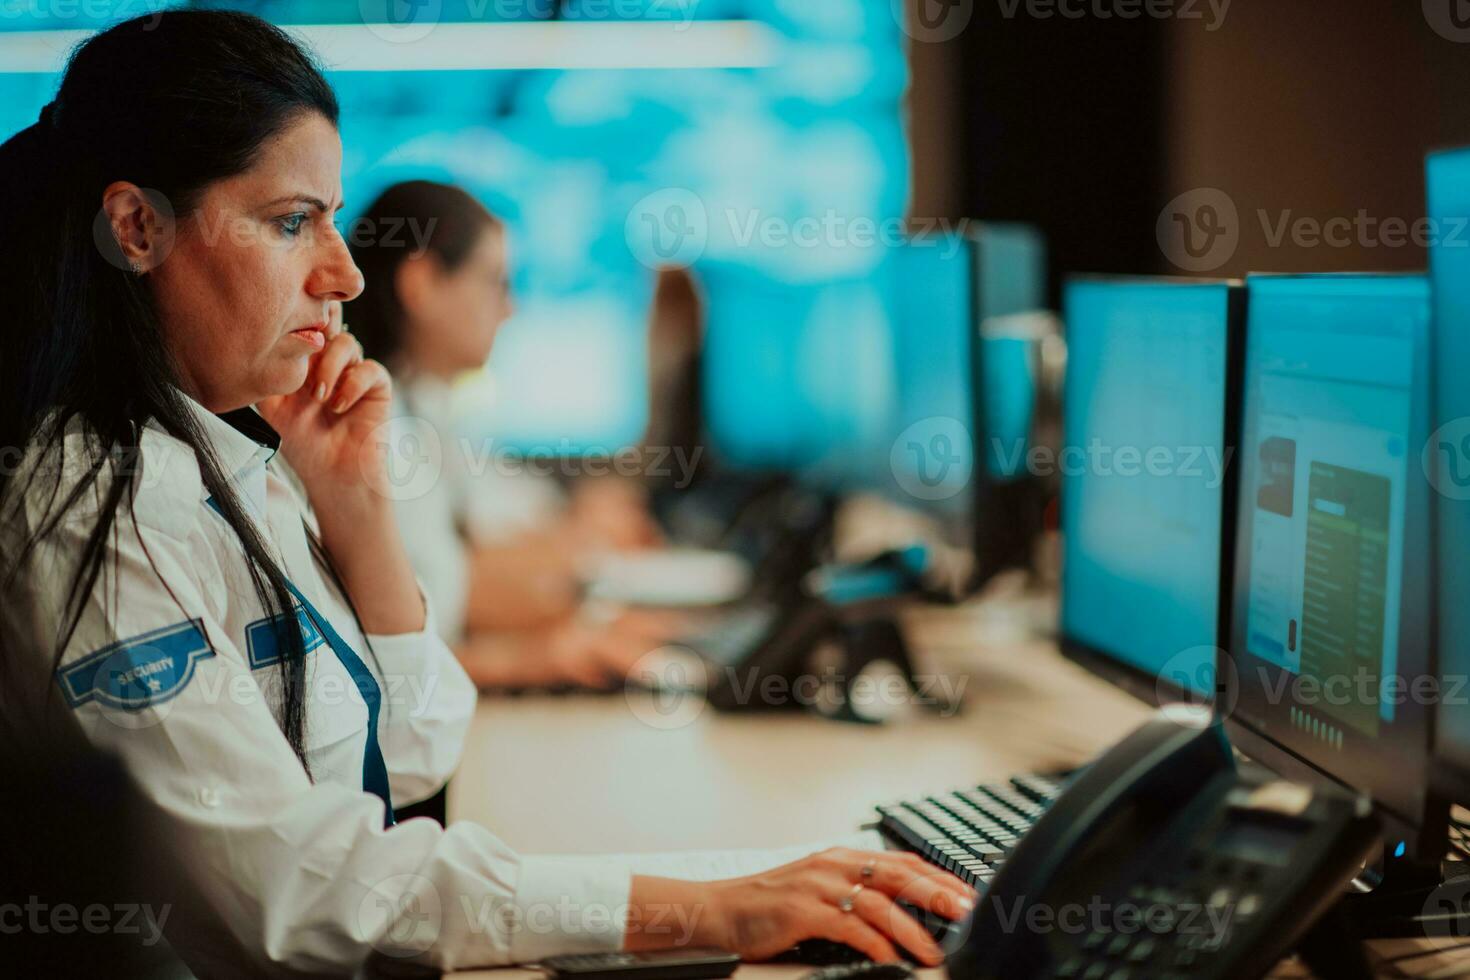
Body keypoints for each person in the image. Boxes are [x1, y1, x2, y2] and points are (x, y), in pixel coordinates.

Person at [0, 11, 973, 978]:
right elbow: (306, 891)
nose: (341, 273)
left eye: (331, 221)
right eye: (292, 221)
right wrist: (709, 906)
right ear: (136, 227)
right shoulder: (85, 511)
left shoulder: (236, 458)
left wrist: (359, 512)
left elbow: (416, 752)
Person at [346, 180, 676, 689]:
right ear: (423, 284)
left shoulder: (424, 411)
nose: (510, 308)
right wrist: (544, 653)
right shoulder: (375, 434)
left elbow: (494, 536)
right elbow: (431, 623)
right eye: (496, 281)